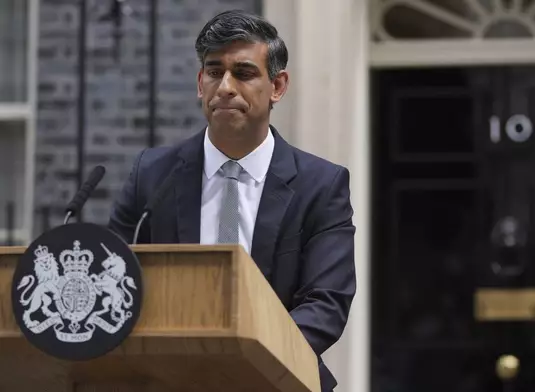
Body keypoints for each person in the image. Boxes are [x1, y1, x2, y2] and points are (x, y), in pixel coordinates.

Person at [108, 9, 356, 392]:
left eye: (243, 73)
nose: (225, 86)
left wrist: (238, 367)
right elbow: (114, 279)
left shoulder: (321, 185)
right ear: (199, 82)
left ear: (278, 86)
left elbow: (326, 304)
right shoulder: (152, 175)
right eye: (213, 71)